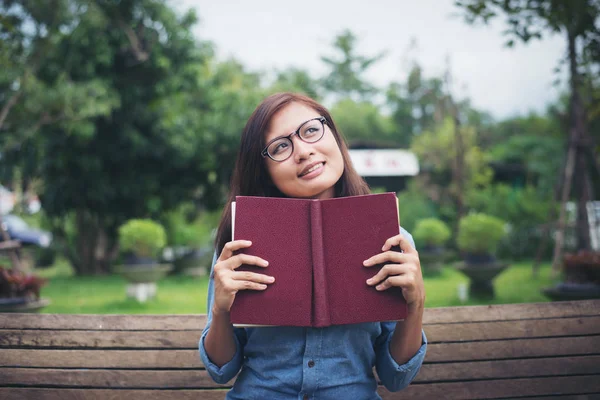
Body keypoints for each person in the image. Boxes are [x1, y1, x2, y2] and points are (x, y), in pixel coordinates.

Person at [199, 92, 427, 399]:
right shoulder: (239, 242)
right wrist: (221, 310)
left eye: (310, 131)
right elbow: (221, 370)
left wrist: (416, 305)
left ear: (332, 134)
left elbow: (395, 377)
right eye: (280, 146)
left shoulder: (392, 240)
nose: (303, 151)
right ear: (263, 169)